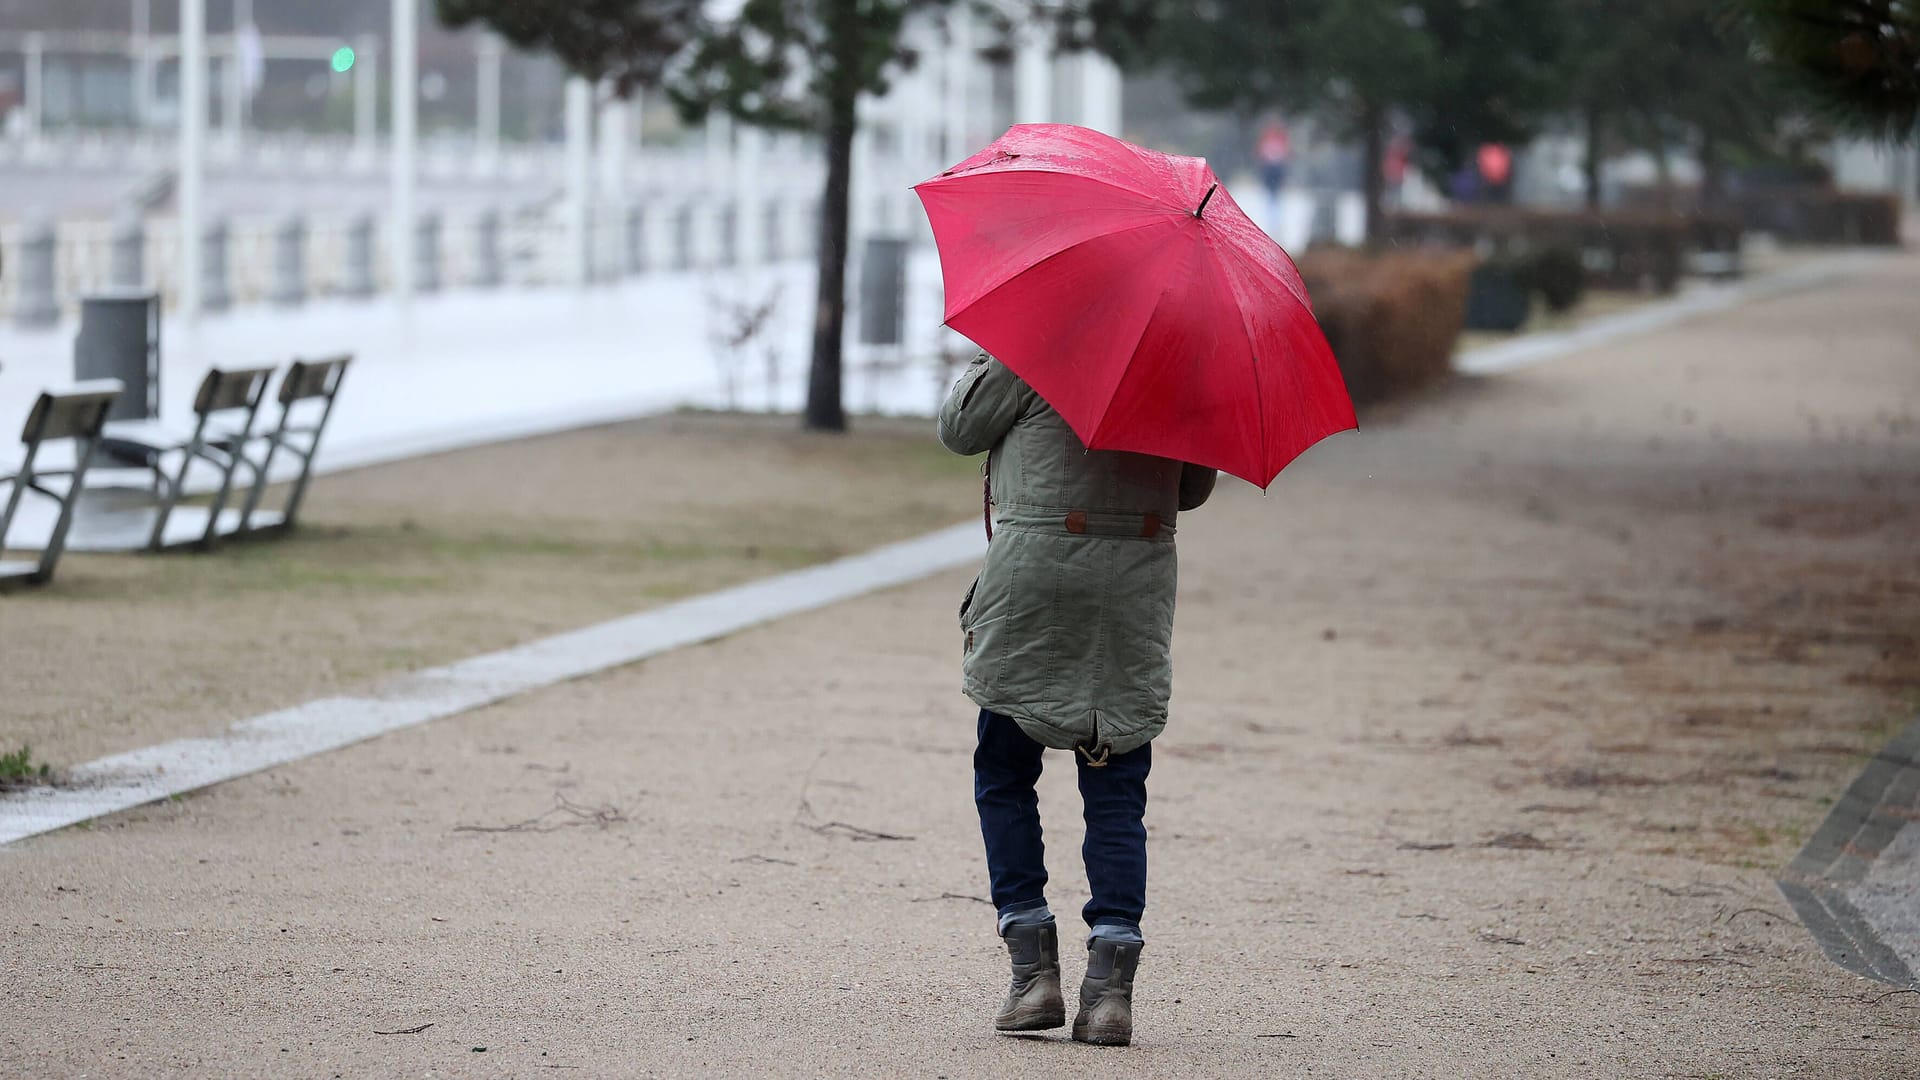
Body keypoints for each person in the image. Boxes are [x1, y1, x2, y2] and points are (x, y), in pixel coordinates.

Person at [938, 352, 1217, 1047]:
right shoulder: (1179, 367)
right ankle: (1110, 991)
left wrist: (989, 357)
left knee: (1004, 772)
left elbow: (960, 427)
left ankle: (1032, 968)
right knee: (1117, 784)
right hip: (1134, 586)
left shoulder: (1037, 348)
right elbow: (1190, 490)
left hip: (1035, 579)